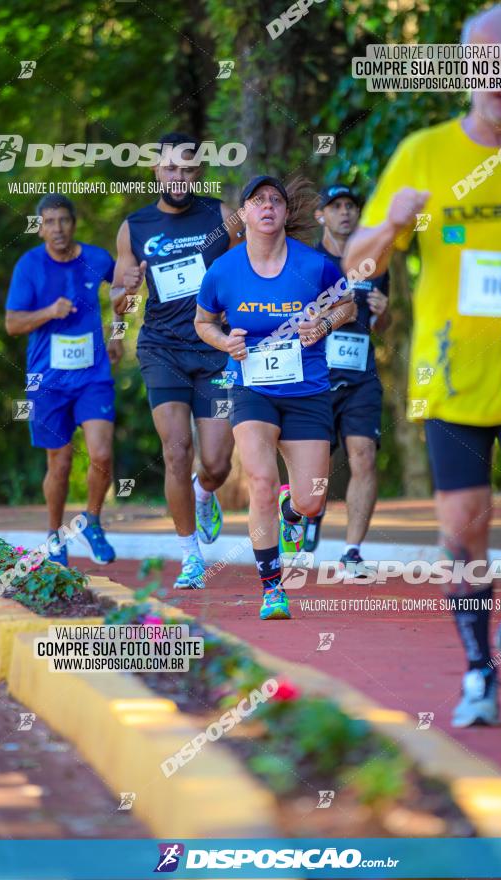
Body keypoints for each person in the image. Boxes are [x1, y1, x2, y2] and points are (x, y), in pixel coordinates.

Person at [345, 4, 501, 727]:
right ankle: (478, 669)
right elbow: (358, 266)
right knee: (465, 527)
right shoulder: (423, 152)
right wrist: (390, 226)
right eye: (488, 68)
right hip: (452, 376)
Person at [195, 175, 358, 620]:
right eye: (257, 200)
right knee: (261, 482)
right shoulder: (223, 270)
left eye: (275, 201)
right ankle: (272, 589)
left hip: (308, 390)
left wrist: (323, 325)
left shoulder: (315, 265)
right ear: (244, 214)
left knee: (311, 502)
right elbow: (203, 322)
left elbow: (348, 306)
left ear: (286, 214)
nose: (267, 206)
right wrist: (225, 342)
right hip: (252, 389)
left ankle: (292, 513)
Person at [111, 132, 243, 589]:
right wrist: (124, 289)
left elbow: (249, 269)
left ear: (198, 172)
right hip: (161, 348)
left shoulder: (221, 217)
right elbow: (119, 302)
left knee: (217, 462)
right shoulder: (135, 226)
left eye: (187, 169)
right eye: (171, 168)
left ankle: (205, 493)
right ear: (156, 170)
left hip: (214, 351)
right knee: (175, 452)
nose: (179, 177)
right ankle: (190, 556)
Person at [5, 194, 119, 566]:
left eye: (63, 221)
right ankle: (54, 533)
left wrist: (118, 332)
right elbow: (12, 324)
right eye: (49, 222)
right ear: (40, 228)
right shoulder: (29, 266)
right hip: (47, 381)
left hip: (93, 375)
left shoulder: (98, 258)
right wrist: (48, 312)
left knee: (102, 453)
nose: (57, 228)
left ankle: (93, 521)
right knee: (62, 462)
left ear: (74, 223)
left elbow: (125, 292)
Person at [302, 184, 391, 577]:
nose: (344, 213)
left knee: (364, 456)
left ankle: (352, 551)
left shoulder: (373, 262)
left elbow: (380, 326)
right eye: (335, 206)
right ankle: (310, 510)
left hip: (360, 377)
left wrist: (383, 312)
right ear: (321, 215)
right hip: (315, 376)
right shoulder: (305, 262)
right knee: (314, 467)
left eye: (351, 206)